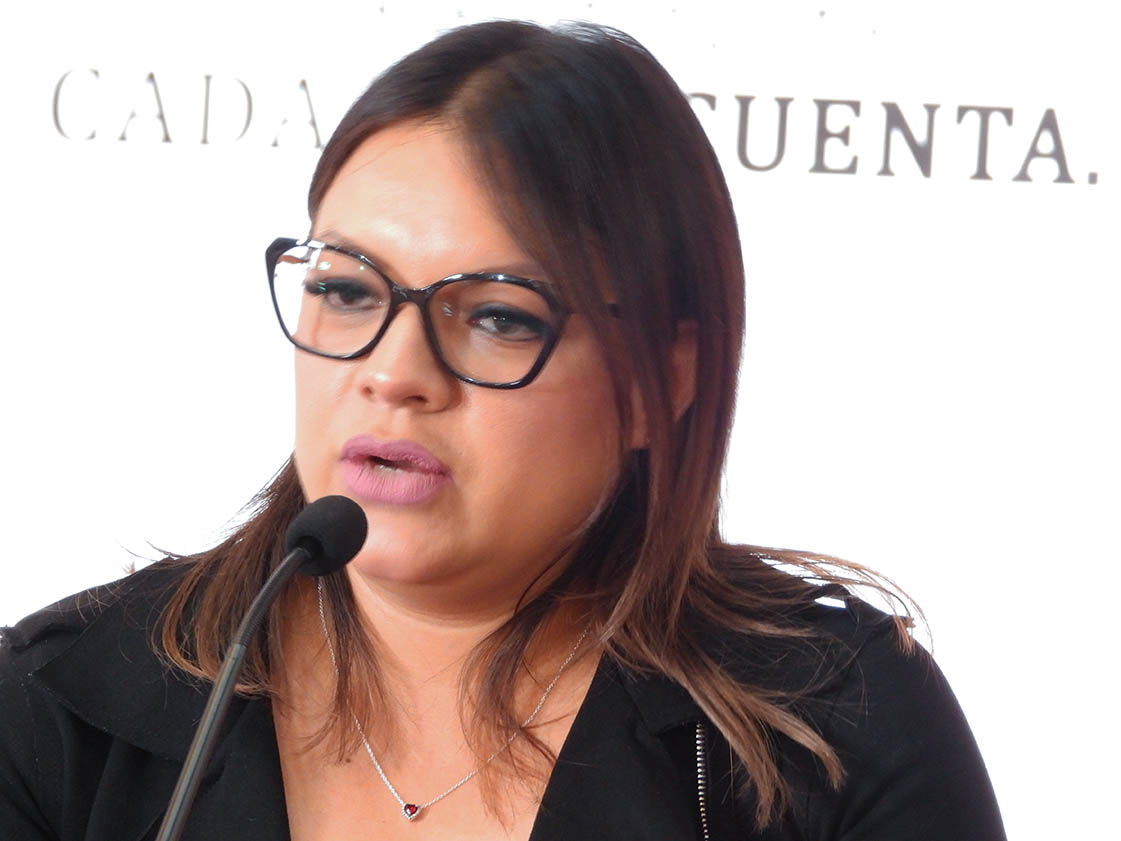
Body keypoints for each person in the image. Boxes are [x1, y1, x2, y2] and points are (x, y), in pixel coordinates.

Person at [0, 20, 1006, 841]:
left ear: (664, 378)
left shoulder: (837, 727)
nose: (393, 373)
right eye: (346, 290)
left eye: (495, 315)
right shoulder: (49, 712)